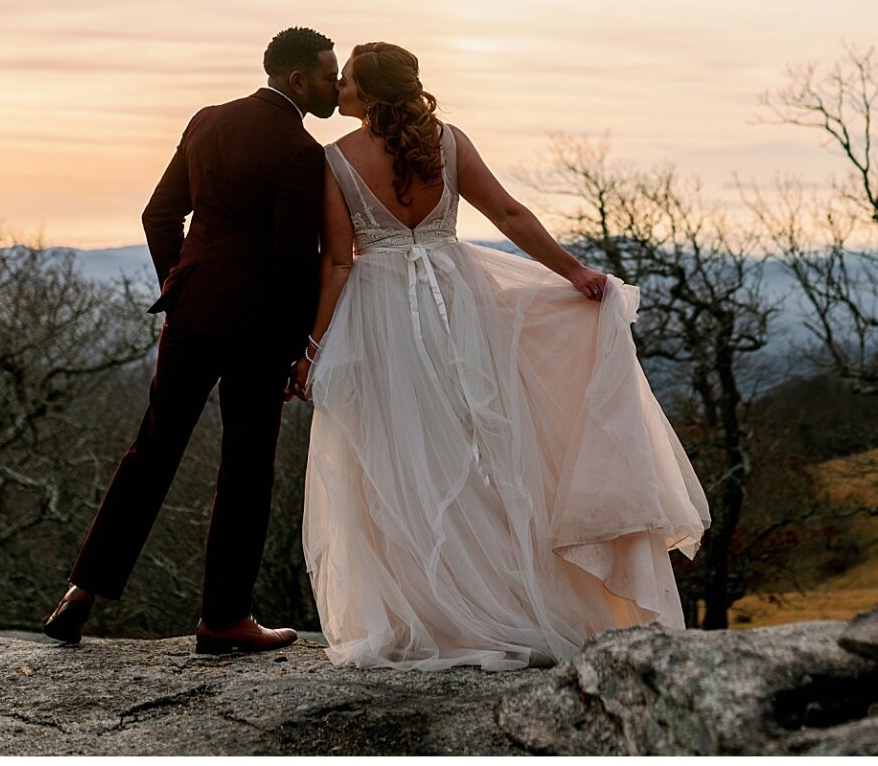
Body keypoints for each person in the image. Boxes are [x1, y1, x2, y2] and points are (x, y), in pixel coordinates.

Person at [296, 42, 709, 669]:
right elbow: (510, 213)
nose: (339, 91)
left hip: (379, 316)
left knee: (398, 459)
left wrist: (314, 347)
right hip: (457, 305)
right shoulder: (448, 142)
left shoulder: (335, 160)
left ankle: (434, 608)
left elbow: (335, 262)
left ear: (370, 94)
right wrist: (573, 271)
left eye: (347, 82)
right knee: (478, 451)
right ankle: (498, 595)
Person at [37, 26, 337, 656]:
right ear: (298, 79)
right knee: (247, 466)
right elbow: (291, 263)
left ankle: (81, 592)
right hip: (258, 327)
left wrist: (180, 284)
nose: (336, 86)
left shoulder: (207, 121)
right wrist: (294, 350)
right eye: (329, 74)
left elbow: (158, 214)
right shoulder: (301, 151)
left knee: (151, 449)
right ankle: (223, 618)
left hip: (192, 312)